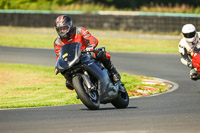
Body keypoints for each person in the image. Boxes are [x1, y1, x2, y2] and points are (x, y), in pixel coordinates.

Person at [54, 15, 121, 89]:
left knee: (100, 54)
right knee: (68, 83)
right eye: (60, 29)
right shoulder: (57, 42)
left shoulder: (80, 30)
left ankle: (113, 72)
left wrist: (91, 45)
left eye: (64, 28)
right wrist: (58, 66)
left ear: (70, 26)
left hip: (86, 53)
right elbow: (59, 55)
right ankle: (81, 90)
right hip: (72, 60)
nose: (62, 31)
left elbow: (90, 38)